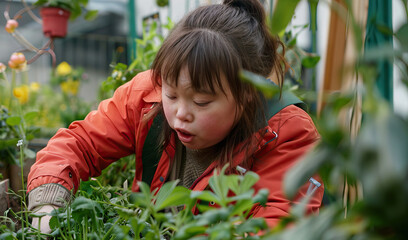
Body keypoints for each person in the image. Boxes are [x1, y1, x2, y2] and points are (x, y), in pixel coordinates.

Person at [27, 0, 324, 234]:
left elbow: (280, 225)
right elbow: (80, 142)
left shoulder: (286, 134)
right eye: (171, 95)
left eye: (201, 101)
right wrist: (48, 204)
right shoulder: (148, 95)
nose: (180, 114)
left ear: (247, 96)